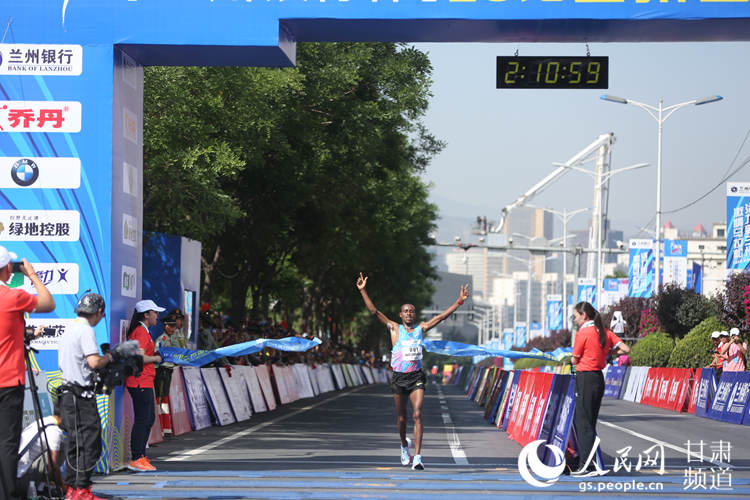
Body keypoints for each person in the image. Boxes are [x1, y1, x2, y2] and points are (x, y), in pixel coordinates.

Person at [357, 272, 469, 471]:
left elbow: (442, 317)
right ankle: (403, 446)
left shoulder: (421, 329)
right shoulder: (394, 328)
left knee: (417, 414)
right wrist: (363, 290)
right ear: (401, 315)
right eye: (405, 311)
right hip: (399, 378)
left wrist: (459, 301)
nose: (409, 313)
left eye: (411, 311)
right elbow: (374, 312)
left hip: (417, 377)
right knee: (402, 418)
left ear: (414, 315)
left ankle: (417, 457)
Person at [0, 246, 55, 500]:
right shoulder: (13, 297)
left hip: (10, 380)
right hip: (8, 381)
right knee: (7, 443)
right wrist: (32, 275)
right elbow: (48, 303)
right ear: (6, 268)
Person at [57, 292, 111, 500]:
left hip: (67, 393)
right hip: (81, 395)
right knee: (91, 443)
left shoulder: (70, 327)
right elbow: (94, 363)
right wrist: (110, 356)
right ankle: (82, 489)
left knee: (74, 442)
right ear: (98, 312)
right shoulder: (86, 330)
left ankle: (72, 488)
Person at [570, 301, 630, 477]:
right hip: (598, 379)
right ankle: (592, 463)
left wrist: (579, 358)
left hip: (585, 378)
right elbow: (626, 349)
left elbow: (574, 359)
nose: (576, 320)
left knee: (583, 423)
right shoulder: (605, 332)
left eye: (576, 317)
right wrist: (606, 353)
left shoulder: (584, 333)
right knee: (590, 422)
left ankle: (586, 466)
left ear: (584, 315)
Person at [125, 300, 164, 472]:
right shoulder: (140, 331)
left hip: (144, 380)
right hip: (140, 381)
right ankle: (136, 458)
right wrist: (155, 359)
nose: (157, 315)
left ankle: (140, 455)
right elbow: (138, 358)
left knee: (148, 419)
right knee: (143, 420)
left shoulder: (143, 331)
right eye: (155, 312)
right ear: (146, 315)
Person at [16, 405, 64, 498]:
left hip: (11, 477)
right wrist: (62, 486)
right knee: (62, 446)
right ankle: (42, 487)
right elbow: (53, 466)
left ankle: (44, 484)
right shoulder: (54, 431)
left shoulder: (42, 421)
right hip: (22, 481)